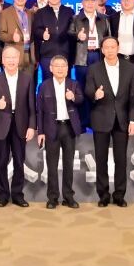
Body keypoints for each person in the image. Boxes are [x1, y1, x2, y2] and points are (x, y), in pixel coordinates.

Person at [85, 36, 134, 207]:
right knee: (101, 159)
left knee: (121, 159)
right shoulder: (94, 68)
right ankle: (103, 195)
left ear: (118, 48)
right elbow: (88, 90)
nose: (109, 50)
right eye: (106, 47)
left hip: (122, 120)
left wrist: (133, 120)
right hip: (101, 118)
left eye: (112, 47)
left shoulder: (129, 68)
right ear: (102, 50)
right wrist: (95, 95)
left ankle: (119, 194)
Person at [0, 45, 34, 208]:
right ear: (3, 60)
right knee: (1, 162)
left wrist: (32, 126)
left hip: (21, 124)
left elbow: (31, 105)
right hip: (1, 124)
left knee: (19, 161)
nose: (11, 60)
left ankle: (18, 195)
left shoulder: (27, 78)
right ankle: (3, 195)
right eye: (8, 57)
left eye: (14, 57)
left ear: (19, 59)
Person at [35, 55, 82, 209]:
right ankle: (53, 197)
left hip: (68, 128)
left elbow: (81, 100)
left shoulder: (73, 84)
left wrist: (73, 97)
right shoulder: (44, 86)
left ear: (67, 69)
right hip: (51, 128)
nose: (60, 69)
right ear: (51, 68)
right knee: (52, 165)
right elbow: (39, 111)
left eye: (63, 66)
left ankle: (68, 196)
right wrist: (40, 132)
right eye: (57, 66)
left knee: (69, 164)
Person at [67, 0, 111, 112]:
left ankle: (97, 116)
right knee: (81, 87)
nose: (90, 4)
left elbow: (109, 38)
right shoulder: (75, 18)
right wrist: (77, 36)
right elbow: (69, 33)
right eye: (87, 1)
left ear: (96, 2)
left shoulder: (105, 18)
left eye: (93, 1)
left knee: (99, 85)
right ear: (82, 2)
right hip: (82, 56)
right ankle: (83, 117)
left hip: (99, 55)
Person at [30, 0, 75, 81]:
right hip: (47, 55)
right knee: (48, 84)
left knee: (65, 83)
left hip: (65, 54)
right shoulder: (40, 12)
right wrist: (42, 34)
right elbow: (36, 30)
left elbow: (73, 33)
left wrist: (72, 57)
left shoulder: (69, 11)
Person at [0, 0, 36, 70]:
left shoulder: (31, 13)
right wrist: (12, 37)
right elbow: (1, 34)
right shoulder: (5, 13)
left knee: (29, 79)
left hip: (30, 56)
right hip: (12, 56)